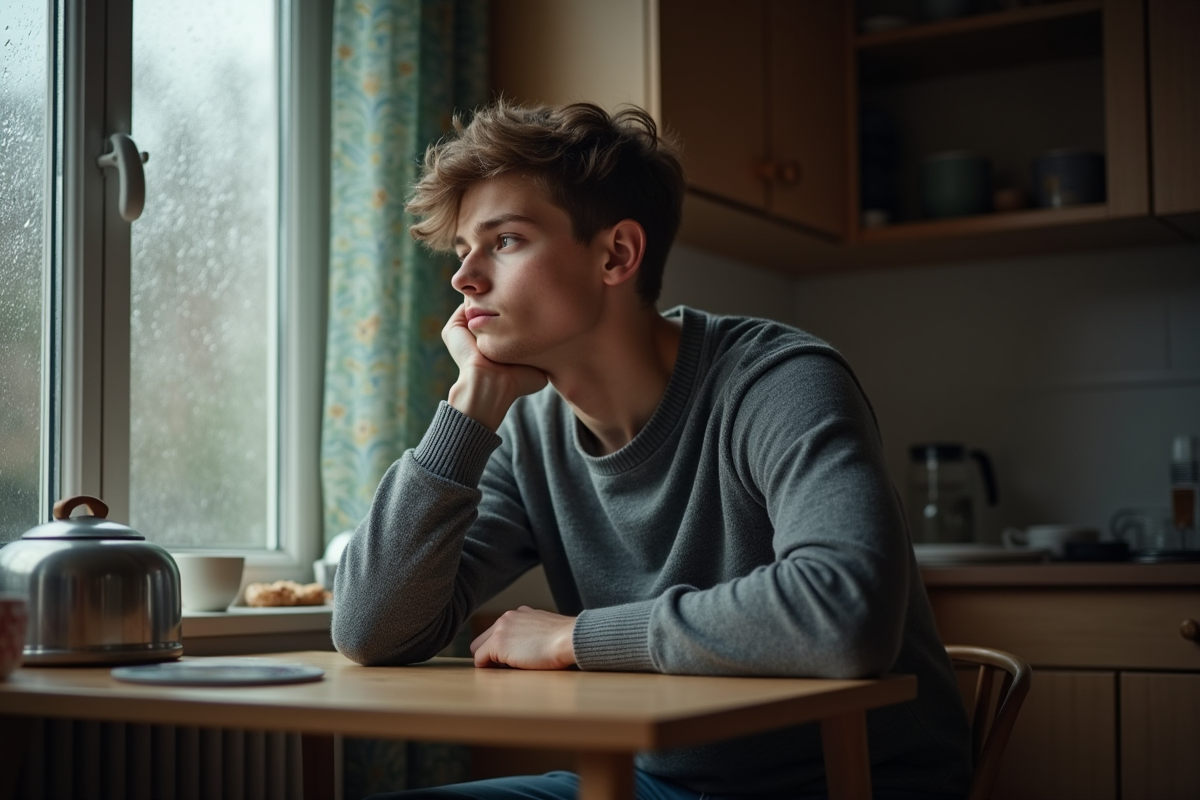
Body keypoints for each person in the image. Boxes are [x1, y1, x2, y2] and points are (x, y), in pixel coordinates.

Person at [331, 100, 972, 800]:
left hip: (852, 784)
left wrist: (575, 638)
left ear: (616, 254)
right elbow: (370, 629)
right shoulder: (531, 434)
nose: (464, 279)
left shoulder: (777, 381)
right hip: (656, 785)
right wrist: (468, 407)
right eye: (462, 251)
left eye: (505, 240)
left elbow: (845, 613)